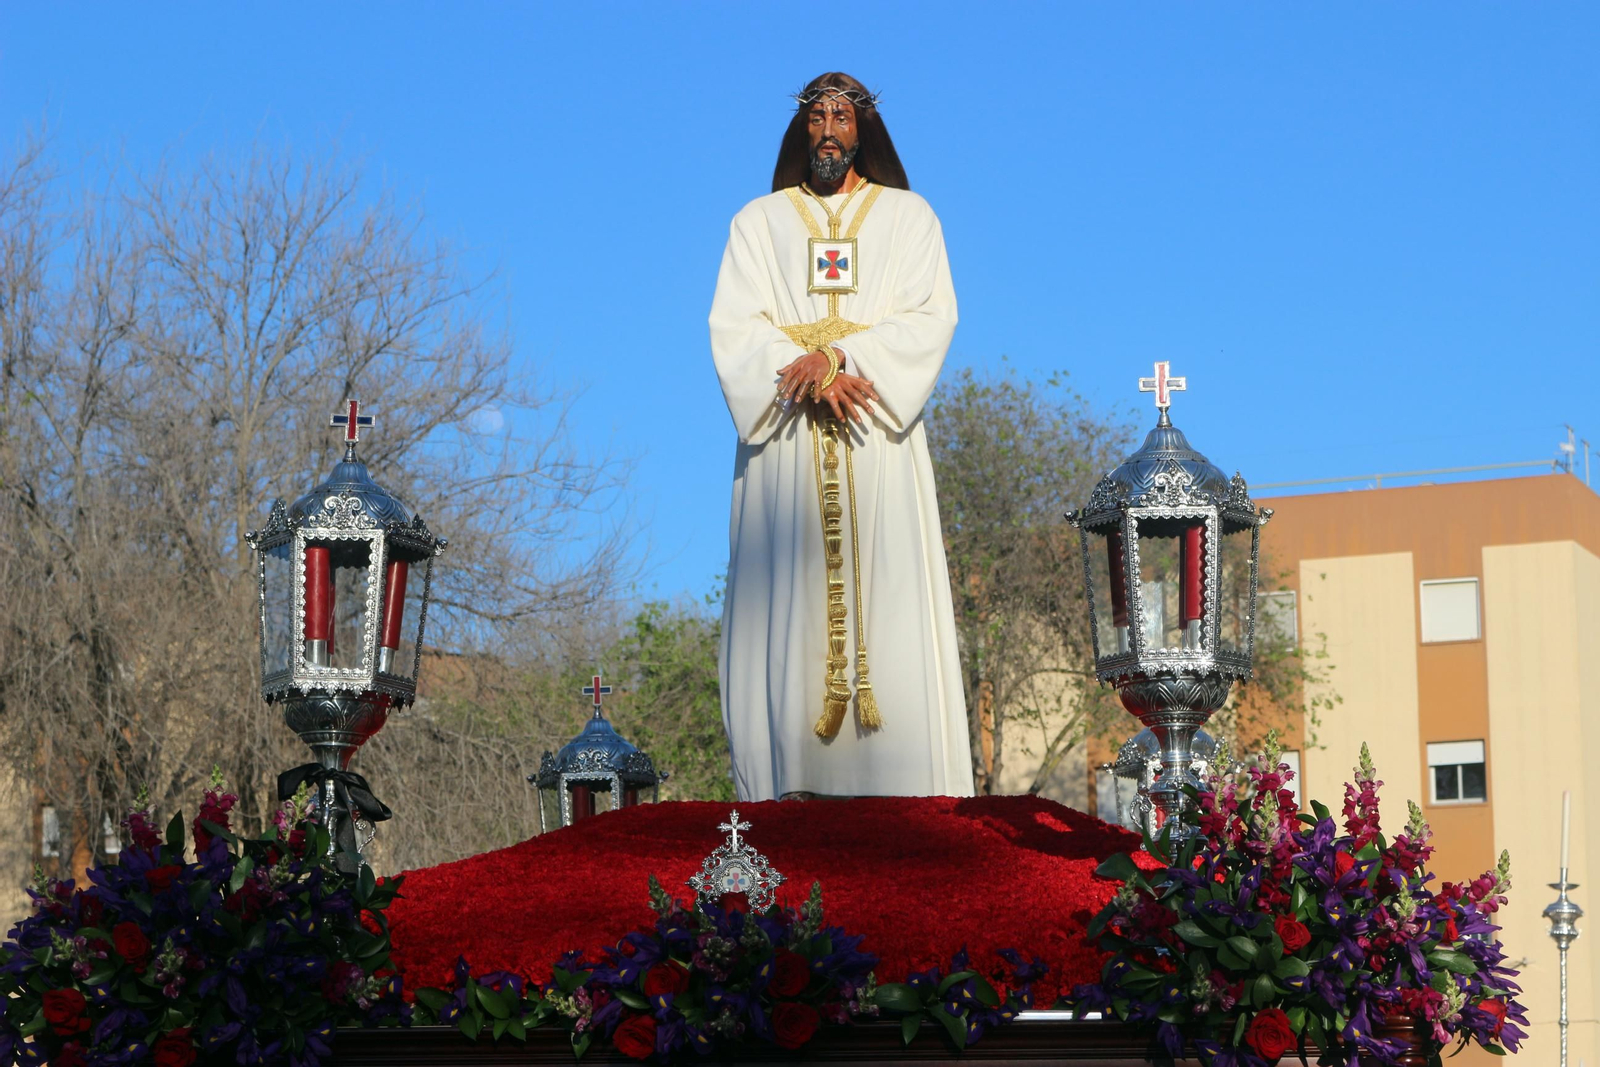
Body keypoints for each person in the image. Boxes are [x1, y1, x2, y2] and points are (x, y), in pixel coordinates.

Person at [709, 71, 974, 802]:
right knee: (783, 599)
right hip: (788, 431)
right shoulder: (756, 224)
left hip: (874, 429)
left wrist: (843, 359)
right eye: (816, 117)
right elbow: (733, 328)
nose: (828, 129)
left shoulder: (910, 218)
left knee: (891, 594)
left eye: (842, 117)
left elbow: (930, 317)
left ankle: (903, 790)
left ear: (864, 130)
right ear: (801, 129)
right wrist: (808, 373)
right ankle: (786, 781)